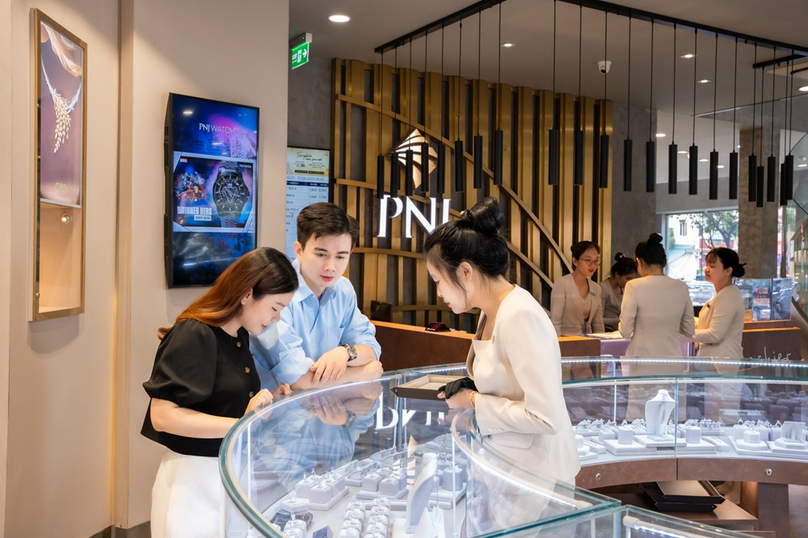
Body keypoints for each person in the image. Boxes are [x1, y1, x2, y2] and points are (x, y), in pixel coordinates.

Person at [141, 247, 299, 538]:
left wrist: (264, 403)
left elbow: (221, 404)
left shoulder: (238, 335)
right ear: (248, 294)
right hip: (193, 484)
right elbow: (162, 416)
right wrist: (241, 423)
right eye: (275, 307)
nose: (276, 319)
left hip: (226, 474)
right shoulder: (194, 332)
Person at [426, 197, 580, 485]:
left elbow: (545, 417)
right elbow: (512, 386)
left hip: (536, 477)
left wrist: (473, 401)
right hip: (511, 467)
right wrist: (473, 388)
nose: (438, 292)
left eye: (438, 280)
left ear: (465, 271)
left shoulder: (519, 314)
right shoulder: (492, 311)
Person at [251, 202, 383, 391]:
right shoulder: (274, 291)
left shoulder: (343, 290)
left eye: (340, 257)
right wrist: (361, 374)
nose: (331, 266)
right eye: (322, 254)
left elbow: (371, 348)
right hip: (275, 414)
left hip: (327, 409)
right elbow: (297, 379)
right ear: (299, 250)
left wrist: (345, 352)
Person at [692, 247, 746, 360]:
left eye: (712, 266)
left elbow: (714, 335)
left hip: (720, 362)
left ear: (728, 270)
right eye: (707, 265)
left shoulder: (728, 296)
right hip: (715, 361)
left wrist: (686, 334)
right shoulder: (723, 294)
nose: (706, 269)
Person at [551, 241, 605, 335]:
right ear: (575, 261)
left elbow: (598, 324)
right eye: (588, 260)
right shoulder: (562, 283)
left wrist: (603, 344)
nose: (593, 265)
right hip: (567, 340)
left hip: (588, 341)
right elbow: (555, 322)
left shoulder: (596, 288)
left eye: (596, 261)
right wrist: (558, 345)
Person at [598, 253, 637, 331]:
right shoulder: (602, 288)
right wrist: (620, 320)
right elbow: (598, 319)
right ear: (617, 274)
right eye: (627, 278)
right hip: (607, 330)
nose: (629, 282)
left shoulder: (624, 288)